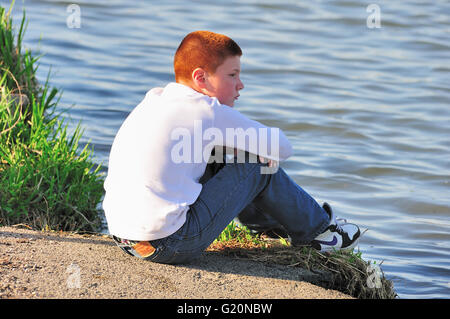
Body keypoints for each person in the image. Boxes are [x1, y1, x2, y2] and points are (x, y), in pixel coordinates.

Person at [103, 30, 361, 264]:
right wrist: (250, 151)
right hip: (170, 244)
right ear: (201, 78)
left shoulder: (155, 100)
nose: (241, 85)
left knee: (218, 154)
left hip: (124, 237)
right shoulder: (206, 111)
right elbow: (283, 147)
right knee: (256, 164)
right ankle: (320, 233)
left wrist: (232, 145)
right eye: (232, 75)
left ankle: (270, 232)